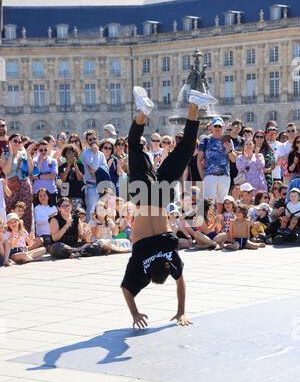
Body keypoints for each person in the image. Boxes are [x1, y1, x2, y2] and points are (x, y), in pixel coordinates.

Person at [121, 85, 216, 328]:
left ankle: (194, 103)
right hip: (143, 198)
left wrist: (182, 311)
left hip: (161, 197)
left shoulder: (170, 255)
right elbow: (126, 290)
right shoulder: (140, 263)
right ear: (148, 275)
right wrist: (134, 314)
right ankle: (142, 112)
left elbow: (181, 281)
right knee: (133, 144)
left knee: (185, 150)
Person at [197, 116, 237, 213]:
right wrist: (203, 176)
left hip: (224, 176)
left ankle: (220, 226)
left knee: (222, 204)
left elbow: (234, 159)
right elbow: (199, 159)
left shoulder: (227, 139)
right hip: (210, 176)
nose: (218, 128)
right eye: (216, 126)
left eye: (219, 126)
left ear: (223, 126)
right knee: (209, 204)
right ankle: (210, 225)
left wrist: (229, 150)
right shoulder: (205, 140)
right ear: (212, 127)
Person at [0, 133, 35, 232]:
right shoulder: (4, 154)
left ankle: (25, 238)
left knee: (26, 211)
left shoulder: (24, 153)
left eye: (20, 141)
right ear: (9, 142)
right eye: (15, 141)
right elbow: (6, 171)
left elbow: (32, 170)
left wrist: (28, 154)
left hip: (24, 185)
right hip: (11, 186)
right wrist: (11, 154)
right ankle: (9, 237)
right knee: (10, 210)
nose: (18, 143)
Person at [81, 130, 107, 221]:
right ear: (87, 141)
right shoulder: (85, 154)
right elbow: (93, 169)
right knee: (91, 211)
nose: (93, 141)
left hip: (101, 186)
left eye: (94, 139)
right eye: (90, 139)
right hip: (91, 186)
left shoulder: (102, 154)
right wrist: (95, 153)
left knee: (102, 210)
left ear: (98, 139)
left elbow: (105, 169)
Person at [58, 144, 85, 209]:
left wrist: (75, 165)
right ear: (65, 154)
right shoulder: (62, 166)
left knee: (77, 214)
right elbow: (63, 180)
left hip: (77, 194)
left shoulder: (80, 165)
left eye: (73, 152)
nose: (71, 154)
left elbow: (79, 178)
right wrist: (68, 166)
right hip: (66, 196)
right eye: (69, 152)